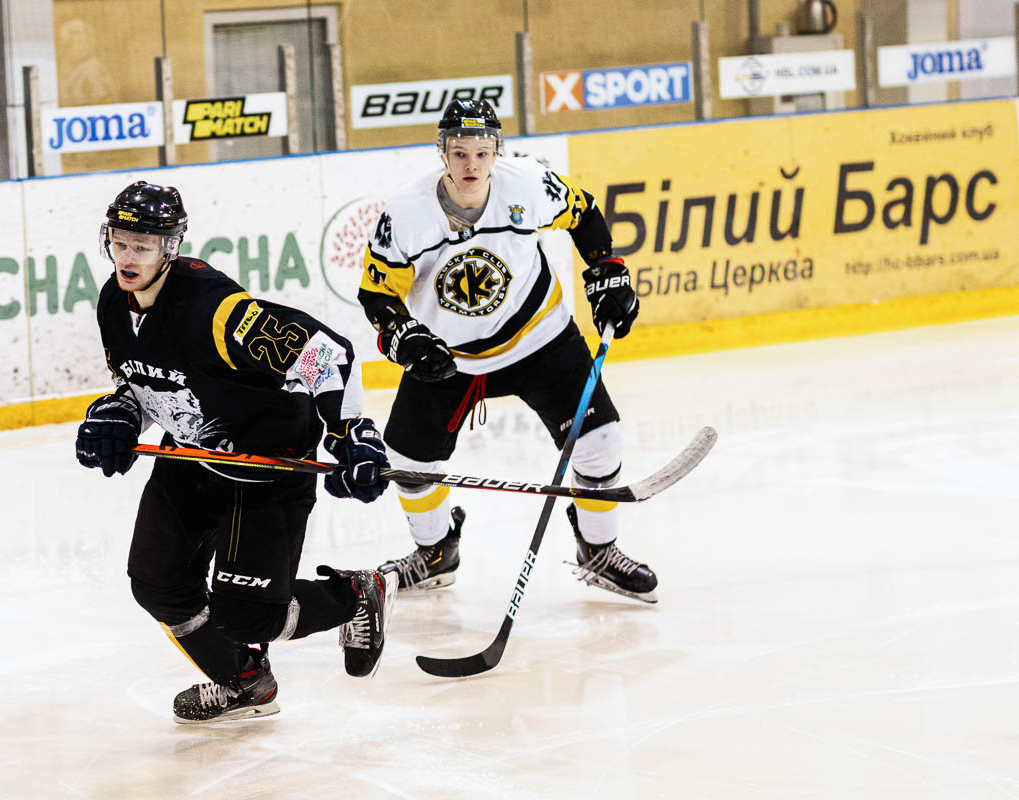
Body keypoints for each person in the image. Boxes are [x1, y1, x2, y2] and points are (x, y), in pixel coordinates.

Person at [75, 181, 397, 724]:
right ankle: (245, 681)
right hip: (190, 456)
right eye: (120, 242)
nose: (127, 258)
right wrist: (121, 414)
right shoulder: (114, 301)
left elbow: (325, 354)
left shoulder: (216, 311)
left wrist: (349, 431)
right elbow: (146, 382)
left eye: (142, 246)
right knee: (157, 583)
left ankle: (354, 596)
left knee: (248, 616)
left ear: (169, 247)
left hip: (264, 466)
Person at [356, 98, 658, 603]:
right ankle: (435, 553)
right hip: (451, 356)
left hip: (540, 338)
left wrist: (606, 268)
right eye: (459, 153)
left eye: (482, 152)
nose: (471, 164)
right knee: (407, 460)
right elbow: (377, 292)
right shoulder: (406, 211)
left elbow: (583, 212)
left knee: (601, 441)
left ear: (497, 151)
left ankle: (598, 550)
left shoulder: (528, 184)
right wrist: (404, 335)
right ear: (441, 152)